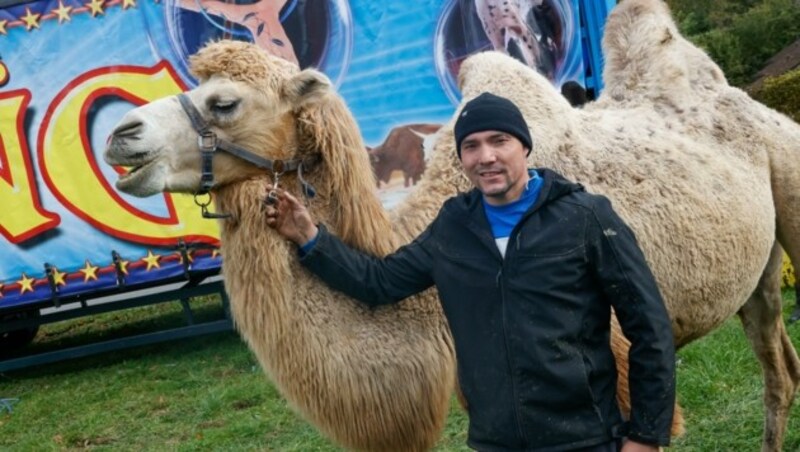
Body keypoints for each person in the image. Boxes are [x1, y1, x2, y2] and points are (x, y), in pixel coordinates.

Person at [264, 92, 676, 452]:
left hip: (585, 437)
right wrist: (309, 237)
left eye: (500, 141)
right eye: (472, 146)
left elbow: (648, 327)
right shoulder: (454, 226)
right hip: (497, 440)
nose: (486, 157)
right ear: (460, 157)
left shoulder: (585, 217)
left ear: (524, 147)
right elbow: (381, 282)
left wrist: (646, 434)